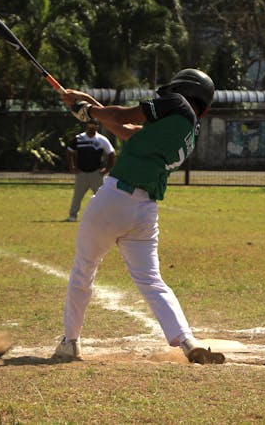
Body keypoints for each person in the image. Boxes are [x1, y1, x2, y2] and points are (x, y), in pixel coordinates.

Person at [53, 68, 224, 364]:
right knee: (152, 281)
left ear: (182, 89)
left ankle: (70, 342)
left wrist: (89, 110)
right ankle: (187, 341)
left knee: (84, 269)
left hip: (113, 199)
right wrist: (88, 106)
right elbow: (128, 133)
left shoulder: (177, 103)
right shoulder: (190, 130)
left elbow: (122, 117)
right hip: (145, 211)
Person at [64, 120, 116, 222]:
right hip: (82, 173)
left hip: (96, 174)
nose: (91, 130)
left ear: (97, 128)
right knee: (77, 196)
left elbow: (112, 154)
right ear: (86, 127)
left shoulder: (102, 139)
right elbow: (69, 152)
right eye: (90, 128)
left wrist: (107, 169)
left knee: (102, 197)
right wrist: (72, 167)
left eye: (93, 128)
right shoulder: (79, 138)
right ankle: (72, 216)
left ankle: (105, 216)